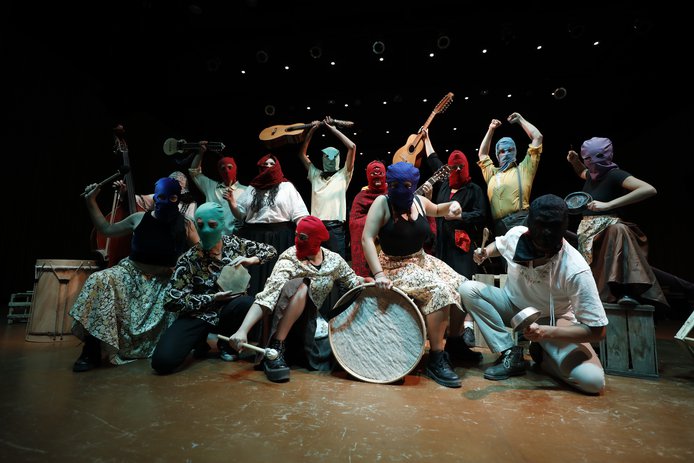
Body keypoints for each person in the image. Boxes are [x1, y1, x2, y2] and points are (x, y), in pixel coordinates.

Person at [458, 194, 608, 395]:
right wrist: (485, 252)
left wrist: (547, 333)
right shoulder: (516, 235)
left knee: (592, 381)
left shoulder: (575, 269)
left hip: (552, 319)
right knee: (467, 289)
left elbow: (598, 331)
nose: (540, 253)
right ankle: (510, 352)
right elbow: (500, 246)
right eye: (536, 246)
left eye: (545, 251)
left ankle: (543, 355)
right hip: (512, 306)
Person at [70, 177, 198, 372]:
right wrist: (91, 202)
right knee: (99, 280)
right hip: (131, 274)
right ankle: (91, 348)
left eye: (172, 198)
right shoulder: (139, 218)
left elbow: (199, 252)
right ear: (155, 197)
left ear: (178, 198)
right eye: (161, 197)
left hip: (162, 282)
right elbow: (106, 229)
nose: (166, 202)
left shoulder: (186, 224)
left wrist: (183, 264)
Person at [361, 161, 469, 388]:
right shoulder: (383, 203)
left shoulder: (418, 201)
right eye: (395, 185)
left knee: (462, 285)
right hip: (395, 266)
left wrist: (453, 205)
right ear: (389, 185)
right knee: (439, 291)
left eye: (407, 185)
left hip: (421, 260)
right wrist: (379, 274)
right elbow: (367, 238)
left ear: (414, 184)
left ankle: (456, 342)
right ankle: (436, 357)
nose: (401, 189)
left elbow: (437, 210)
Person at [228, 216, 373, 382]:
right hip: (280, 318)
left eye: (302, 237)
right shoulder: (290, 258)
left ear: (318, 239)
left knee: (336, 357)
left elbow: (351, 281)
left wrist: (365, 281)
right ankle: (277, 346)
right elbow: (268, 295)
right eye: (296, 235)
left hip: (308, 322)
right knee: (301, 285)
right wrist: (243, 330)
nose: (297, 240)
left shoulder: (334, 260)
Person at [151, 202, 277, 374]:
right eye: (200, 225)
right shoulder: (189, 259)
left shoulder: (234, 244)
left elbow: (270, 251)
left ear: (222, 224)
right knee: (162, 362)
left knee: (248, 303)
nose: (206, 230)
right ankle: (199, 341)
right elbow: (171, 301)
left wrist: (251, 260)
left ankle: (227, 344)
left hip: (229, 311)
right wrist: (212, 298)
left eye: (212, 225)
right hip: (199, 315)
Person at [565, 137, 668, 309]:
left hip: (608, 229)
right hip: (588, 232)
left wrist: (609, 205)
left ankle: (625, 290)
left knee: (619, 231)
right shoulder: (591, 175)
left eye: (592, 158)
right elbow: (582, 172)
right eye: (586, 158)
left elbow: (648, 189)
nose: (590, 163)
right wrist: (575, 162)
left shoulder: (614, 174)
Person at [421, 129, 489, 355]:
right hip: (441, 247)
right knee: (443, 290)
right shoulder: (443, 185)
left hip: (461, 248)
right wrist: (426, 138)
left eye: (461, 167)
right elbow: (433, 161)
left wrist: (460, 217)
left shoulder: (473, 189)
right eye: (453, 167)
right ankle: (444, 339)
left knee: (461, 289)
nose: (457, 170)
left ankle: (459, 336)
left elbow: (481, 214)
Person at [226, 153, 309, 298]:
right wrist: (232, 203)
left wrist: (304, 234)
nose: (269, 167)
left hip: (280, 237)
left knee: (277, 277)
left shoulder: (286, 187)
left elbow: (300, 214)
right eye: (265, 164)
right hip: (254, 237)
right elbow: (240, 215)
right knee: (254, 278)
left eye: (272, 164)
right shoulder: (252, 188)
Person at [298, 116, 356, 260]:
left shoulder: (343, 175)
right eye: (326, 156)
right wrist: (312, 130)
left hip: (335, 228)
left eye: (334, 156)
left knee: (337, 264)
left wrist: (333, 129)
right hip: (315, 227)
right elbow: (302, 154)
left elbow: (352, 147)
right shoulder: (315, 174)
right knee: (315, 264)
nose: (330, 159)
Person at [477, 112, 543, 238]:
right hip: (499, 226)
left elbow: (537, 137)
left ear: (515, 151)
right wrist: (491, 129)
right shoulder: (492, 174)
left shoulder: (524, 169)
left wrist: (520, 120)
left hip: (520, 221)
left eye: (510, 150)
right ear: (497, 155)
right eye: (502, 151)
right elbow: (483, 154)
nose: (506, 153)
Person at [188, 142, 247, 235]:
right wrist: (200, 154)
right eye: (223, 168)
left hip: (234, 237)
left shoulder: (245, 190)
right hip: (211, 236)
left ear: (235, 169)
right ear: (219, 171)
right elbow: (194, 172)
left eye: (230, 167)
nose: (227, 171)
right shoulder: (211, 187)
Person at [348, 160, 387, 277]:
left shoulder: (392, 193)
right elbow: (354, 222)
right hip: (371, 241)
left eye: (380, 174)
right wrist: (375, 222)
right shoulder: (361, 197)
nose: (377, 178)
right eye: (373, 175)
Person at [115, 170, 198, 221]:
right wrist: (124, 194)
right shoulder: (161, 196)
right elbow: (139, 200)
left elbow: (190, 224)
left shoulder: (190, 204)